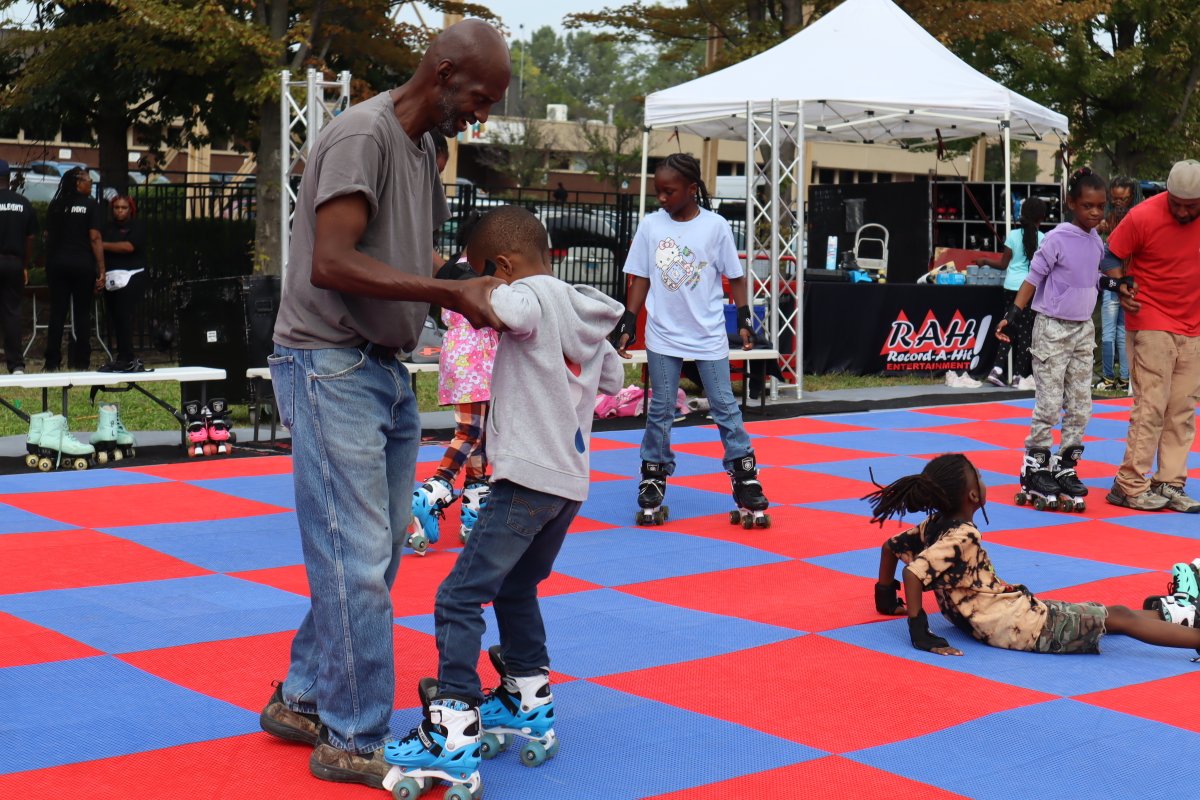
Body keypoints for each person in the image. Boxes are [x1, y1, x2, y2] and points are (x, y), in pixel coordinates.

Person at [258, 19, 510, 790]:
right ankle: (351, 736)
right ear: (441, 71)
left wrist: (499, 294)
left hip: (383, 366)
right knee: (358, 560)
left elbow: (406, 258)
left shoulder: (426, 149)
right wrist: (445, 291)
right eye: (478, 96)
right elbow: (333, 261)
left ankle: (303, 695)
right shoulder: (358, 135)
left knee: (377, 554)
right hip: (329, 361)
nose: (482, 115)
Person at [383, 206, 624, 796]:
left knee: (458, 597)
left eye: (486, 272)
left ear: (504, 265)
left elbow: (505, 306)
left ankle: (454, 725)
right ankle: (525, 697)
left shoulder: (529, 297)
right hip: (568, 483)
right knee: (517, 587)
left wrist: (471, 287)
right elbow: (613, 379)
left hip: (522, 481)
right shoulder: (582, 311)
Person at [869, 453, 1200, 658]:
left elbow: (890, 549)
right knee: (1122, 619)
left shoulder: (932, 526)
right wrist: (919, 630)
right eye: (980, 478)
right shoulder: (963, 534)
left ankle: (1183, 616)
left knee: (1115, 613)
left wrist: (886, 598)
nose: (984, 482)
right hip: (1025, 627)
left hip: (1012, 612)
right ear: (973, 495)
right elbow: (913, 574)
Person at [614, 152, 771, 528]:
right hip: (663, 335)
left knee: (724, 407)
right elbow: (641, 277)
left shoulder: (715, 227)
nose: (662, 199)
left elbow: (734, 277)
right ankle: (653, 475)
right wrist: (629, 320)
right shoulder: (651, 226)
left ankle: (745, 476)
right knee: (661, 410)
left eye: (669, 192)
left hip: (708, 334)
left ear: (692, 189)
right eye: (658, 192)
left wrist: (745, 317)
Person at [995, 168, 1106, 512]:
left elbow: (1093, 282)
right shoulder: (1056, 238)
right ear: (1072, 203)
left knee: (1080, 404)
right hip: (1053, 328)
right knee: (1049, 402)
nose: (1095, 213)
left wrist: (1120, 286)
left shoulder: (1097, 242)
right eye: (1088, 205)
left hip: (1083, 329)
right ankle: (1036, 466)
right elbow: (1031, 279)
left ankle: (1066, 464)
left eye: (1101, 207)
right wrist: (1011, 318)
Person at [1102, 159, 1200, 513]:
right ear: (1167, 193)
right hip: (1150, 317)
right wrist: (1121, 285)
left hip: (1194, 325)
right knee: (1152, 404)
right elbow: (1109, 255)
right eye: (1177, 203)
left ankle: (1170, 482)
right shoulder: (1143, 215)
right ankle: (1129, 484)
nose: (1183, 211)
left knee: (1182, 408)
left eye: (1192, 206)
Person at [408, 210, 497, 549]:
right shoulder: (483, 272)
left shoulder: (457, 266)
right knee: (471, 432)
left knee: (480, 435)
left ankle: (474, 509)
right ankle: (432, 492)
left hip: (463, 355)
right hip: (477, 358)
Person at [977, 197, 1047, 388]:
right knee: (1025, 333)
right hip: (1030, 288)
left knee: (1008, 326)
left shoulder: (1013, 235)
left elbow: (1002, 264)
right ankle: (1018, 376)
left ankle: (997, 370)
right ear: (1041, 217)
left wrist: (984, 261)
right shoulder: (1043, 238)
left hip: (1010, 287)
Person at [43, 167, 104, 372]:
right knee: (82, 315)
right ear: (78, 182)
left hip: (57, 264)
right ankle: (81, 362)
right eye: (88, 179)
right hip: (82, 265)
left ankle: (52, 362)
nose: (91, 182)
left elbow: (46, 236)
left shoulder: (57, 205)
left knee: (57, 314)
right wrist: (101, 269)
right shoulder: (91, 205)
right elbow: (94, 237)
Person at [1095, 175, 1139, 391]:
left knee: (1116, 332)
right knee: (1116, 332)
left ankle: (1115, 378)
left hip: (1123, 284)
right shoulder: (1109, 219)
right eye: (1115, 198)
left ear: (1132, 197)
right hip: (1118, 284)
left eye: (1124, 198)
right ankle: (1116, 379)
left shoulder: (1133, 220)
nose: (1119, 202)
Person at [99, 194, 148, 372]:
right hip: (111, 277)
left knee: (125, 316)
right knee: (115, 318)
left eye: (123, 207)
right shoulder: (107, 228)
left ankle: (127, 356)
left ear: (130, 209)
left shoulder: (137, 227)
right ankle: (122, 355)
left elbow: (129, 247)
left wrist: (101, 245)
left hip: (131, 275)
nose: (120, 211)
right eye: (116, 207)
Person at [0, 159, 36, 374]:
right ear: (10, 178)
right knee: (12, 313)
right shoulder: (23, 203)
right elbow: (30, 238)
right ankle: (16, 365)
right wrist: (24, 264)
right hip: (14, 262)